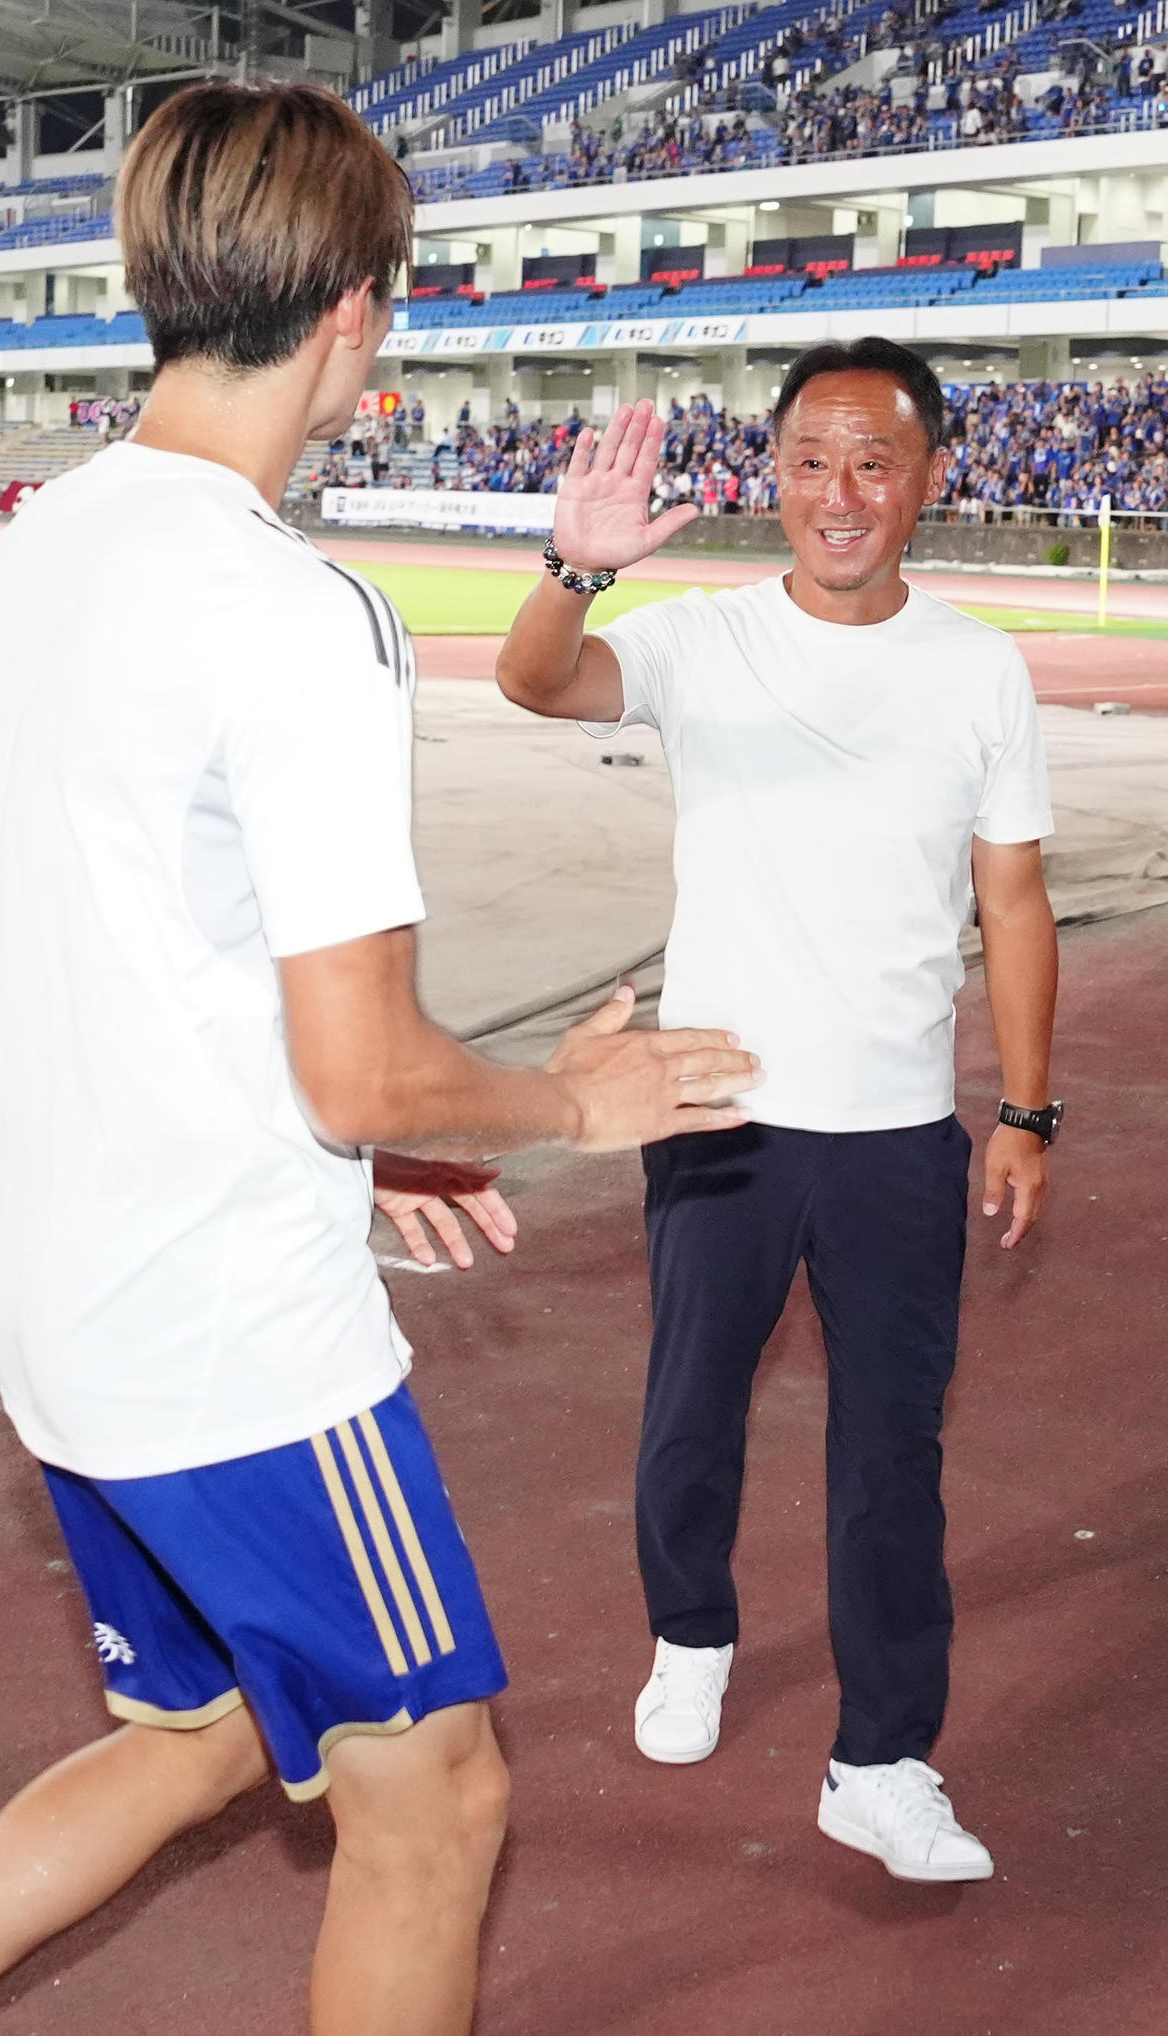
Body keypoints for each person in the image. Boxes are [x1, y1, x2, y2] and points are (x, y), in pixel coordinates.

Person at [0, 82, 759, 2036]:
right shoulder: (296, 611)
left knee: (196, 1733)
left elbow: (157, 958)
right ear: (356, 309)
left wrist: (367, 1140)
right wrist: (565, 1105)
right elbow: (359, 1068)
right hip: (235, 1343)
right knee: (437, 1802)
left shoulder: (43, 544)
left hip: (75, 1310)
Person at [496, 339, 1060, 1886]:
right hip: (718, 1115)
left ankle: (881, 1761)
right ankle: (690, 1631)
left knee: (893, 1454)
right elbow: (538, 680)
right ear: (777, 475)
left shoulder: (979, 669)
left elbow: (1014, 902)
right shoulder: (702, 641)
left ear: (930, 477)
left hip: (897, 1135)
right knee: (691, 1408)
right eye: (812, 459)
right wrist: (573, 569)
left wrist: (1028, 1111)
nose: (841, 492)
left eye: (876, 460)